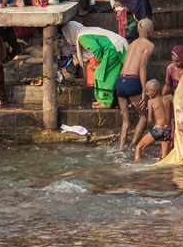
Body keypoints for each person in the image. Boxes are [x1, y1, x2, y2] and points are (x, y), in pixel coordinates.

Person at [64, 20, 129, 109]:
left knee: (101, 74)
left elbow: (96, 49)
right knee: (111, 74)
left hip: (113, 49)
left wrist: (98, 62)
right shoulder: (85, 31)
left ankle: (106, 102)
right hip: (116, 47)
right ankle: (103, 100)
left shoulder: (82, 36)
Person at [116, 19, 157, 151]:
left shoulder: (132, 43)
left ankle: (120, 149)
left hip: (120, 81)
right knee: (143, 116)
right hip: (132, 81)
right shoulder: (149, 45)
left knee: (125, 121)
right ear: (149, 30)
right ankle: (132, 147)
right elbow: (142, 66)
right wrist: (144, 90)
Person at [135, 77, 172, 162]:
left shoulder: (151, 102)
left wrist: (144, 110)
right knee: (164, 157)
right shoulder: (169, 97)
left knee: (138, 147)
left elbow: (150, 120)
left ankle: (136, 166)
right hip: (167, 131)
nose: (146, 93)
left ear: (154, 92)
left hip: (157, 130)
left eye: (147, 91)